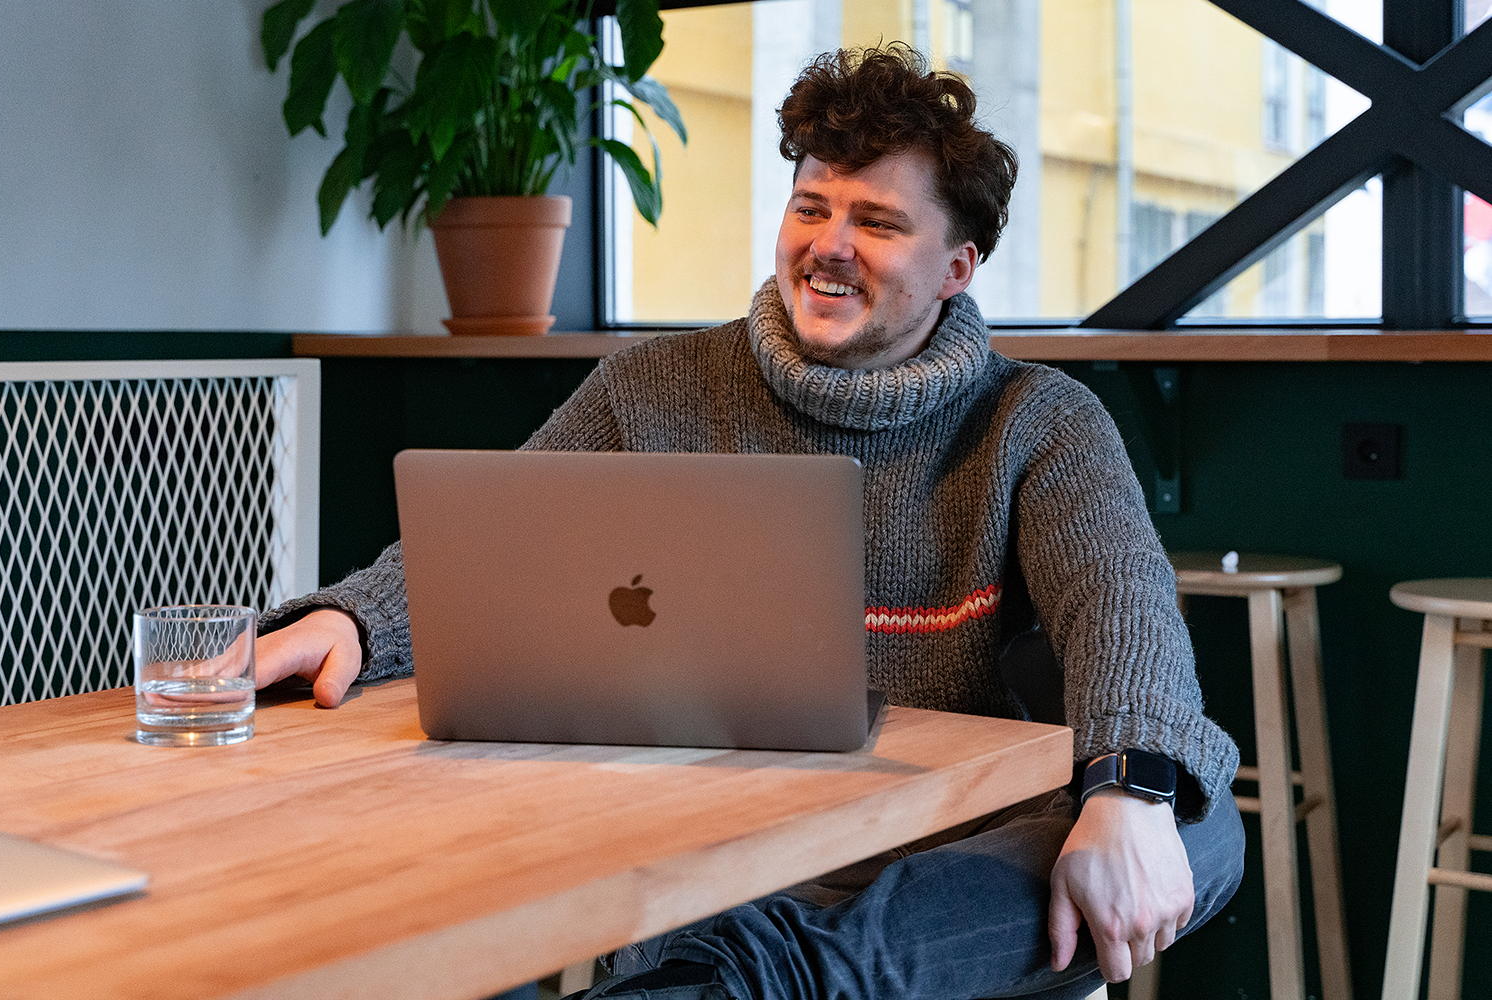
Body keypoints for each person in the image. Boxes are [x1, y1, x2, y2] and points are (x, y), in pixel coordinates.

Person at [256, 43, 1244, 1000]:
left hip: (951, 863)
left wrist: (1128, 791)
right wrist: (354, 619)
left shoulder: (1040, 418)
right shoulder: (655, 388)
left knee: (1199, 826)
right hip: (723, 849)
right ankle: (743, 974)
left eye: (878, 222)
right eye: (811, 207)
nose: (830, 245)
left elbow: (1123, 606)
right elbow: (492, 545)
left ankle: (732, 982)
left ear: (957, 267)